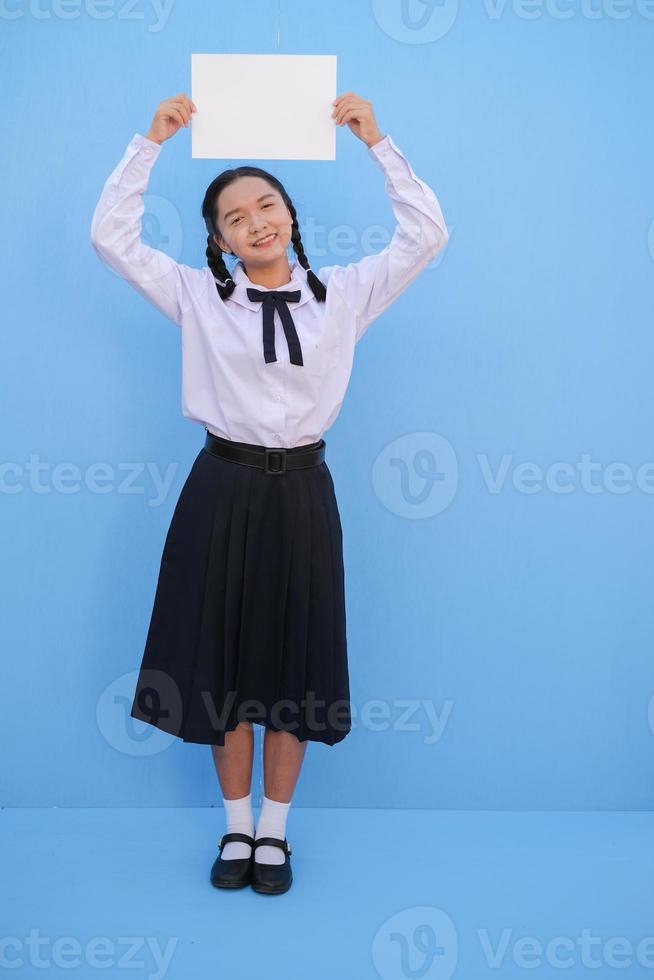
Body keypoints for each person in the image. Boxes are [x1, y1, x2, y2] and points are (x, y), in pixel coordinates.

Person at [90, 90, 449, 895]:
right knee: (225, 669)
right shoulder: (198, 296)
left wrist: (377, 142)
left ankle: (277, 834)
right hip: (220, 491)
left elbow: (428, 235)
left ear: (289, 214)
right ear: (218, 241)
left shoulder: (345, 294)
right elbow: (110, 237)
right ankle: (235, 830)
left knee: (292, 669)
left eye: (267, 205)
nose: (257, 222)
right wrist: (149, 143)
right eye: (235, 217)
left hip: (302, 497)